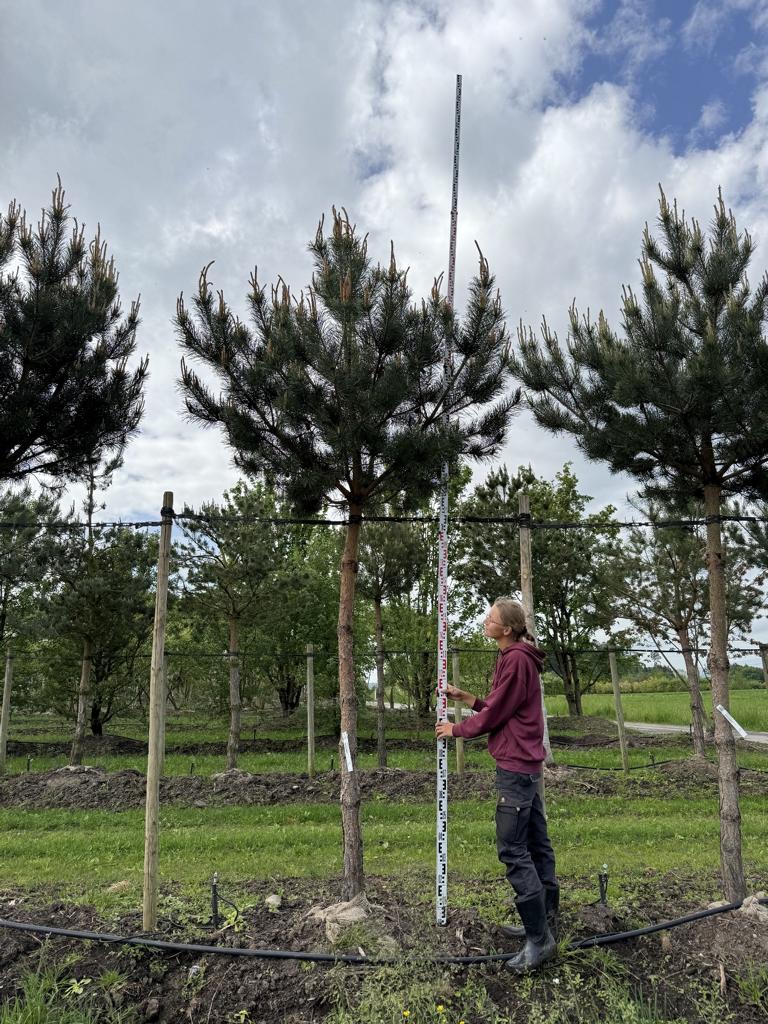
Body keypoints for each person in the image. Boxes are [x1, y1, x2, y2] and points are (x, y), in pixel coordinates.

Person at [435, 597, 558, 973]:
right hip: (525, 764)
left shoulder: (517, 658)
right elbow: (507, 707)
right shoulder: (514, 657)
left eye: (491, 619)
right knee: (536, 842)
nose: (485, 622)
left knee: (513, 849)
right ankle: (544, 919)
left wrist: (456, 729)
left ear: (507, 629)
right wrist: (469, 699)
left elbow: (499, 714)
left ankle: (539, 940)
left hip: (515, 768)